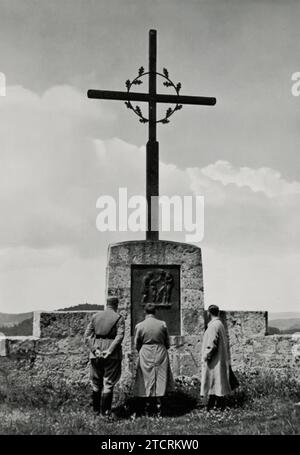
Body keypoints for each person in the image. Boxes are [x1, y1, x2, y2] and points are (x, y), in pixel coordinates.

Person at [84, 296, 125, 417]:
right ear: (116, 305)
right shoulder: (119, 318)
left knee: (96, 383)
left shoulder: (95, 316)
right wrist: (110, 350)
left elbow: (87, 336)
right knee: (109, 383)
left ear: (106, 304)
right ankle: (106, 413)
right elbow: (120, 336)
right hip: (111, 355)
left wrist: (94, 349)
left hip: (95, 353)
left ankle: (95, 411)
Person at [134, 303, 173, 415]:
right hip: (160, 351)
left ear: (145, 312)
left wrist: (141, 350)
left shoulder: (140, 326)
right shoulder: (162, 324)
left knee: (146, 379)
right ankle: (159, 407)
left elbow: (137, 343)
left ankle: (148, 407)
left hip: (145, 351)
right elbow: (167, 342)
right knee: (161, 378)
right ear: (155, 312)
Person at [201, 304, 231, 411]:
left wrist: (206, 356)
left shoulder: (213, 326)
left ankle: (215, 406)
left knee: (214, 383)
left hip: (214, 360)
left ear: (209, 313)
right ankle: (216, 406)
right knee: (216, 384)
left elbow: (211, 345)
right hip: (219, 358)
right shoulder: (220, 324)